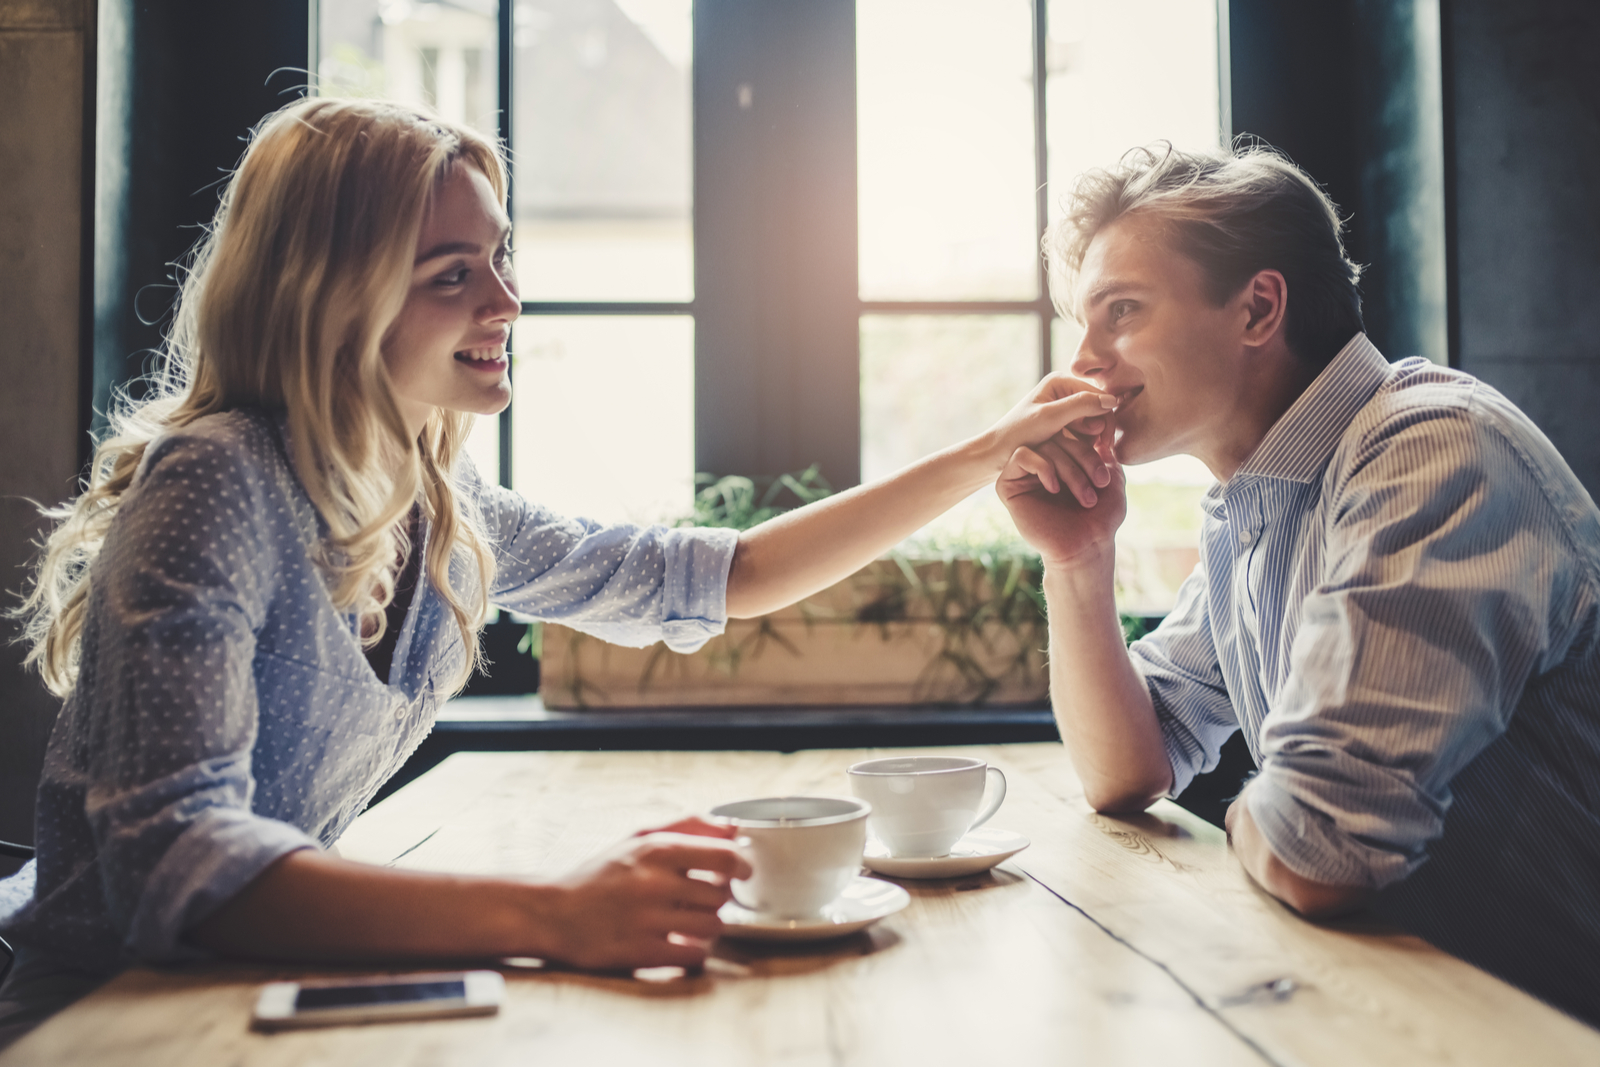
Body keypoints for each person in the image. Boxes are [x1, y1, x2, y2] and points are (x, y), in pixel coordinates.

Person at [0, 96, 1116, 1044]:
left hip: (255, 998)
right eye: (451, 275)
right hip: (109, 1021)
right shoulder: (219, 480)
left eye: (500, 258)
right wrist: (555, 912)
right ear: (331, 296)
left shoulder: (434, 499)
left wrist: (984, 454)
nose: (506, 303)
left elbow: (712, 577)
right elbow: (178, 868)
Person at [995, 142, 1600, 1025]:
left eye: (1120, 310)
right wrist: (1078, 558)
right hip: (1412, 1017)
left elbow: (1322, 849)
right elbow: (1129, 766)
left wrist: (1275, 809)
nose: (1081, 361)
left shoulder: (1432, 450)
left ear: (1258, 308)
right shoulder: (1260, 502)